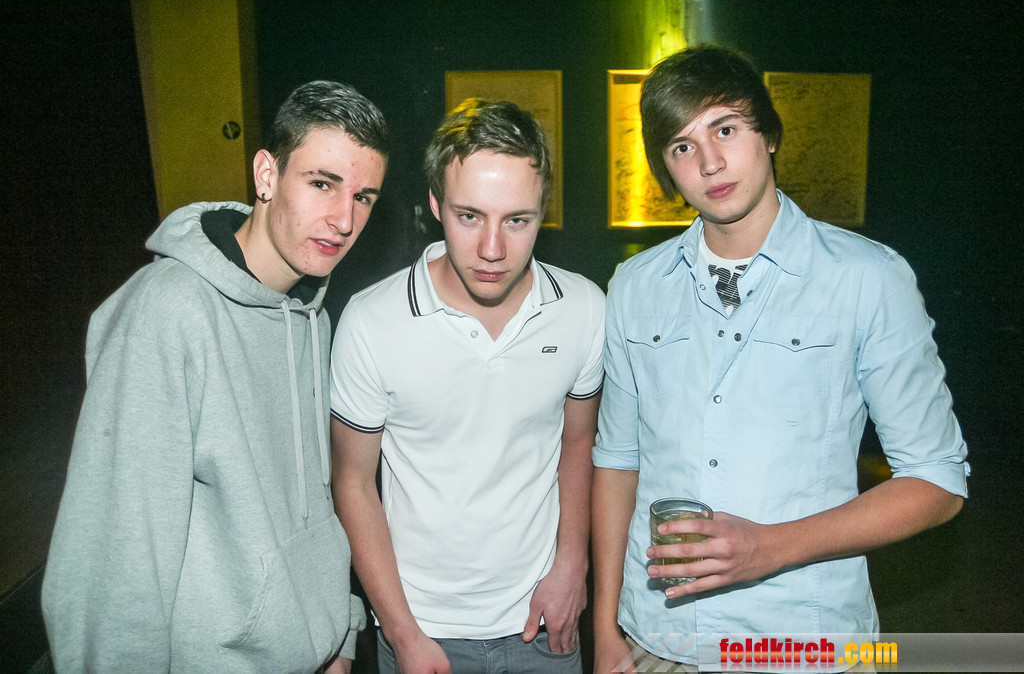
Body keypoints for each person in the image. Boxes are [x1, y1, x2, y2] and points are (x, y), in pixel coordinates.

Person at [592, 45, 970, 672]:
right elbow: (618, 461)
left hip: (804, 640)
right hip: (660, 637)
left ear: (768, 133)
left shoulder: (867, 278)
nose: (710, 162)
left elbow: (937, 482)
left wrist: (769, 548)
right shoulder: (635, 285)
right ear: (666, 170)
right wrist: (606, 627)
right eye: (682, 146)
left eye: (725, 129)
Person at [41, 80, 389, 673]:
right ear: (267, 175)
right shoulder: (167, 310)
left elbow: (314, 501)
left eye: (364, 197)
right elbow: (116, 556)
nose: (343, 219)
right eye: (322, 184)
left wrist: (338, 633)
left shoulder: (314, 317)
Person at [329, 98, 604, 673]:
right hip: (421, 630)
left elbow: (578, 441)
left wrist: (572, 565)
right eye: (470, 216)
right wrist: (402, 632)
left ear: (543, 212)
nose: (492, 250)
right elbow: (352, 483)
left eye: (517, 220)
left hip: (544, 623)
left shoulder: (583, 308)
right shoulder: (372, 321)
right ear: (436, 204)